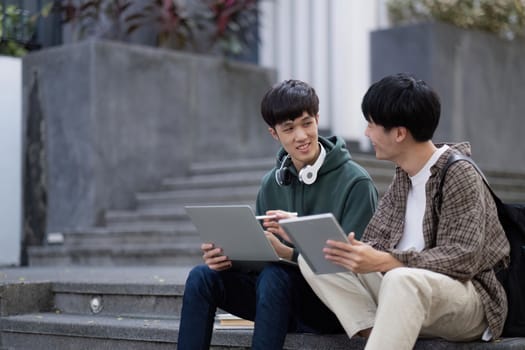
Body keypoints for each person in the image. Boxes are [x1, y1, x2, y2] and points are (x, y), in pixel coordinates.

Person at [299, 72, 511, 350]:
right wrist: (354, 252)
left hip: (470, 299)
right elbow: (375, 242)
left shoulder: (458, 173)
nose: (366, 133)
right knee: (317, 257)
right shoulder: (403, 176)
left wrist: (385, 261)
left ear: (399, 133)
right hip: (404, 291)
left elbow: (462, 259)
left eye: (371, 124)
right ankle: (379, 331)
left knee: (402, 278)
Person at [177, 79, 378, 349]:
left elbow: (355, 269)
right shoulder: (272, 183)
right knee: (202, 277)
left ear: (318, 119)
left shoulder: (356, 182)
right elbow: (258, 260)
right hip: (275, 299)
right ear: (274, 134)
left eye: (307, 123)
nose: (301, 136)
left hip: (331, 307)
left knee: (274, 276)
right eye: (289, 128)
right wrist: (227, 258)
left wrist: (289, 252)